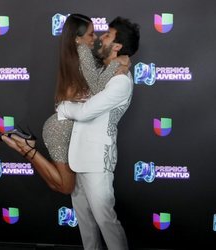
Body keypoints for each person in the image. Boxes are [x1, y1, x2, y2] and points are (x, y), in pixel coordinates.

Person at [0, 13, 129, 194]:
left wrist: (115, 62)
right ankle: (26, 148)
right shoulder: (83, 52)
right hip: (61, 130)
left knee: (59, 184)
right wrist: (117, 63)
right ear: (77, 39)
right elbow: (98, 87)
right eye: (91, 34)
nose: (96, 38)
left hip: (66, 128)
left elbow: (91, 83)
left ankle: (27, 147)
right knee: (66, 187)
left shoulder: (78, 53)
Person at [56, 16, 140, 250]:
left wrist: (62, 108)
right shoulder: (102, 67)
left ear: (117, 46)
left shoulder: (121, 82)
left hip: (97, 162)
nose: (100, 38)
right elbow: (78, 45)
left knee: (106, 222)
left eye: (106, 35)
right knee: (86, 225)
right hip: (77, 157)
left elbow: (85, 112)